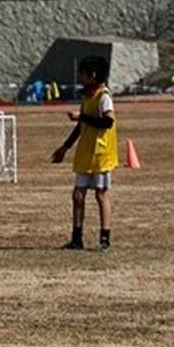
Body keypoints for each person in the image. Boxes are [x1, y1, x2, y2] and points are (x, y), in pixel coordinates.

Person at [51, 56, 118, 252]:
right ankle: (76, 238)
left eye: (82, 73)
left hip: (100, 153)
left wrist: (83, 116)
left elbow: (107, 122)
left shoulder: (104, 97)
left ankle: (105, 238)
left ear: (93, 75)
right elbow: (81, 126)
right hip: (86, 152)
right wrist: (65, 147)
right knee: (78, 194)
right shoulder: (87, 96)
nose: (79, 77)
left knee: (101, 194)